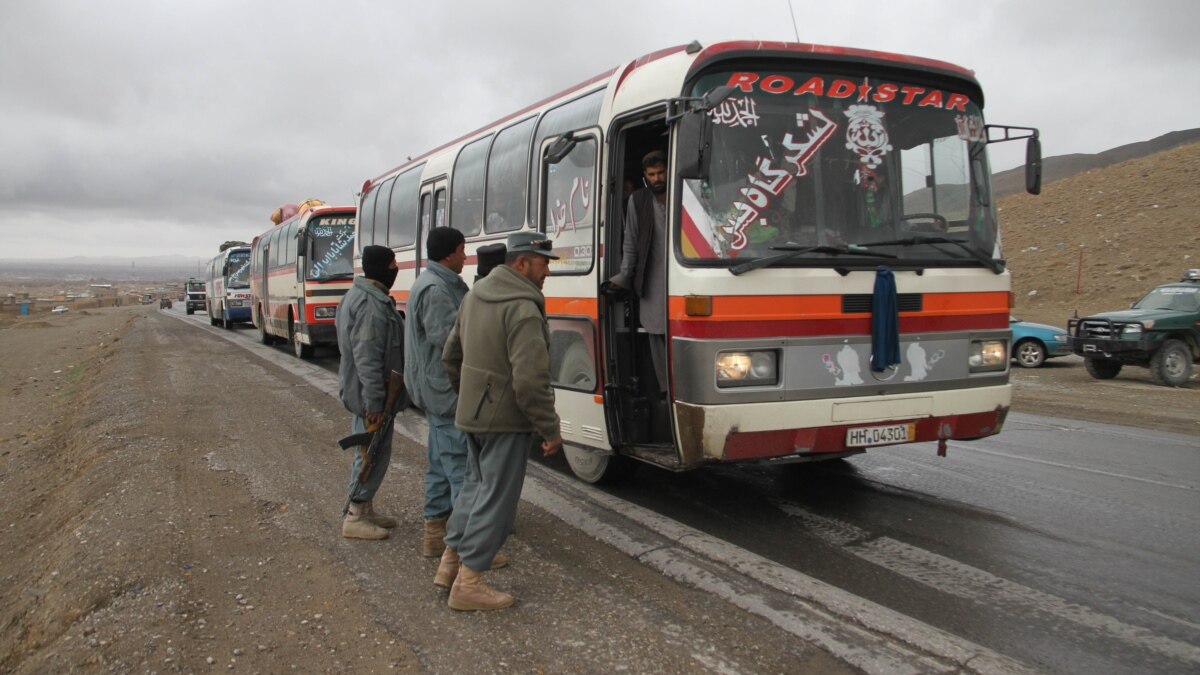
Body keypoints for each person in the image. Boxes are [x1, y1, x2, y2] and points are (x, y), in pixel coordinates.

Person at [437, 231, 563, 611]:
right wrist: (549, 428)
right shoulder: (523, 307)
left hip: (473, 414)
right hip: (506, 419)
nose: (546, 273)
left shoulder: (475, 294)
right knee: (496, 499)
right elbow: (529, 381)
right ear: (522, 263)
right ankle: (470, 583)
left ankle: (449, 566)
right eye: (543, 264)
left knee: (474, 490)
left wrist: (472, 395)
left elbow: (450, 356)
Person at [405, 227, 497, 561]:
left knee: (439, 466)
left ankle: (435, 535)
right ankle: (469, 547)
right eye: (462, 250)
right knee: (461, 468)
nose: (465, 256)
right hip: (446, 390)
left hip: (436, 389)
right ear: (449, 254)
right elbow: (450, 340)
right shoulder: (436, 290)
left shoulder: (434, 283)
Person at [335, 244, 405, 540]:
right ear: (382, 267)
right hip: (372, 399)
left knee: (372, 453)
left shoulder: (365, 296)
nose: (396, 269)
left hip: (372, 397)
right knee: (370, 454)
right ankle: (355, 515)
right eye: (392, 264)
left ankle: (365, 507)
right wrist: (375, 401)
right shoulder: (369, 303)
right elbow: (367, 357)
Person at [607, 150, 669, 394]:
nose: (657, 178)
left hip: (684, 277)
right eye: (652, 174)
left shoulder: (687, 193)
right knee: (657, 334)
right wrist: (624, 276)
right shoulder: (639, 200)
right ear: (645, 175)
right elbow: (630, 243)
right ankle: (667, 393)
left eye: (661, 173)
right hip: (652, 281)